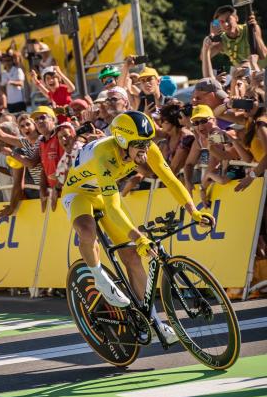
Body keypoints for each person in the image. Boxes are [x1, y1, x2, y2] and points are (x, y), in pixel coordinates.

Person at [61, 110, 215, 343]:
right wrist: (139, 236)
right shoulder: (105, 153)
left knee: (132, 256)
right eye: (139, 144)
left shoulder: (146, 148)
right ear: (123, 142)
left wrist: (193, 211)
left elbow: (170, 179)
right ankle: (99, 278)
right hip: (79, 193)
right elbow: (113, 208)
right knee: (87, 230)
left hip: (104, 193)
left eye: (148, 142)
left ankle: (153, 322)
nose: (145, 149)